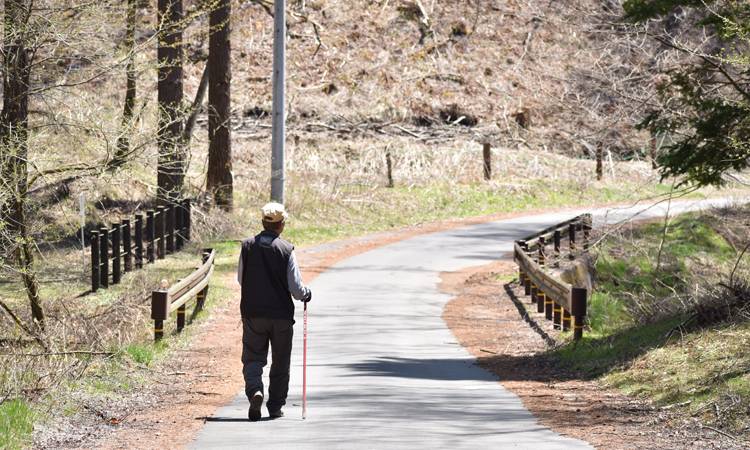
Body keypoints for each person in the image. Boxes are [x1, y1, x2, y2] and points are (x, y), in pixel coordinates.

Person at [237, 202, 312, 421]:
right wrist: (306, 294)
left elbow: (242, 279)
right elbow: (296, 288)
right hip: (281, 317)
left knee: (253, 358)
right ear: (282, 225)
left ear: (262, 222)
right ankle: (275, 406)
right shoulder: (286, 249)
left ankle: (255, 391)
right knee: (280, 362)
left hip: (253, 314)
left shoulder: (247, 246)